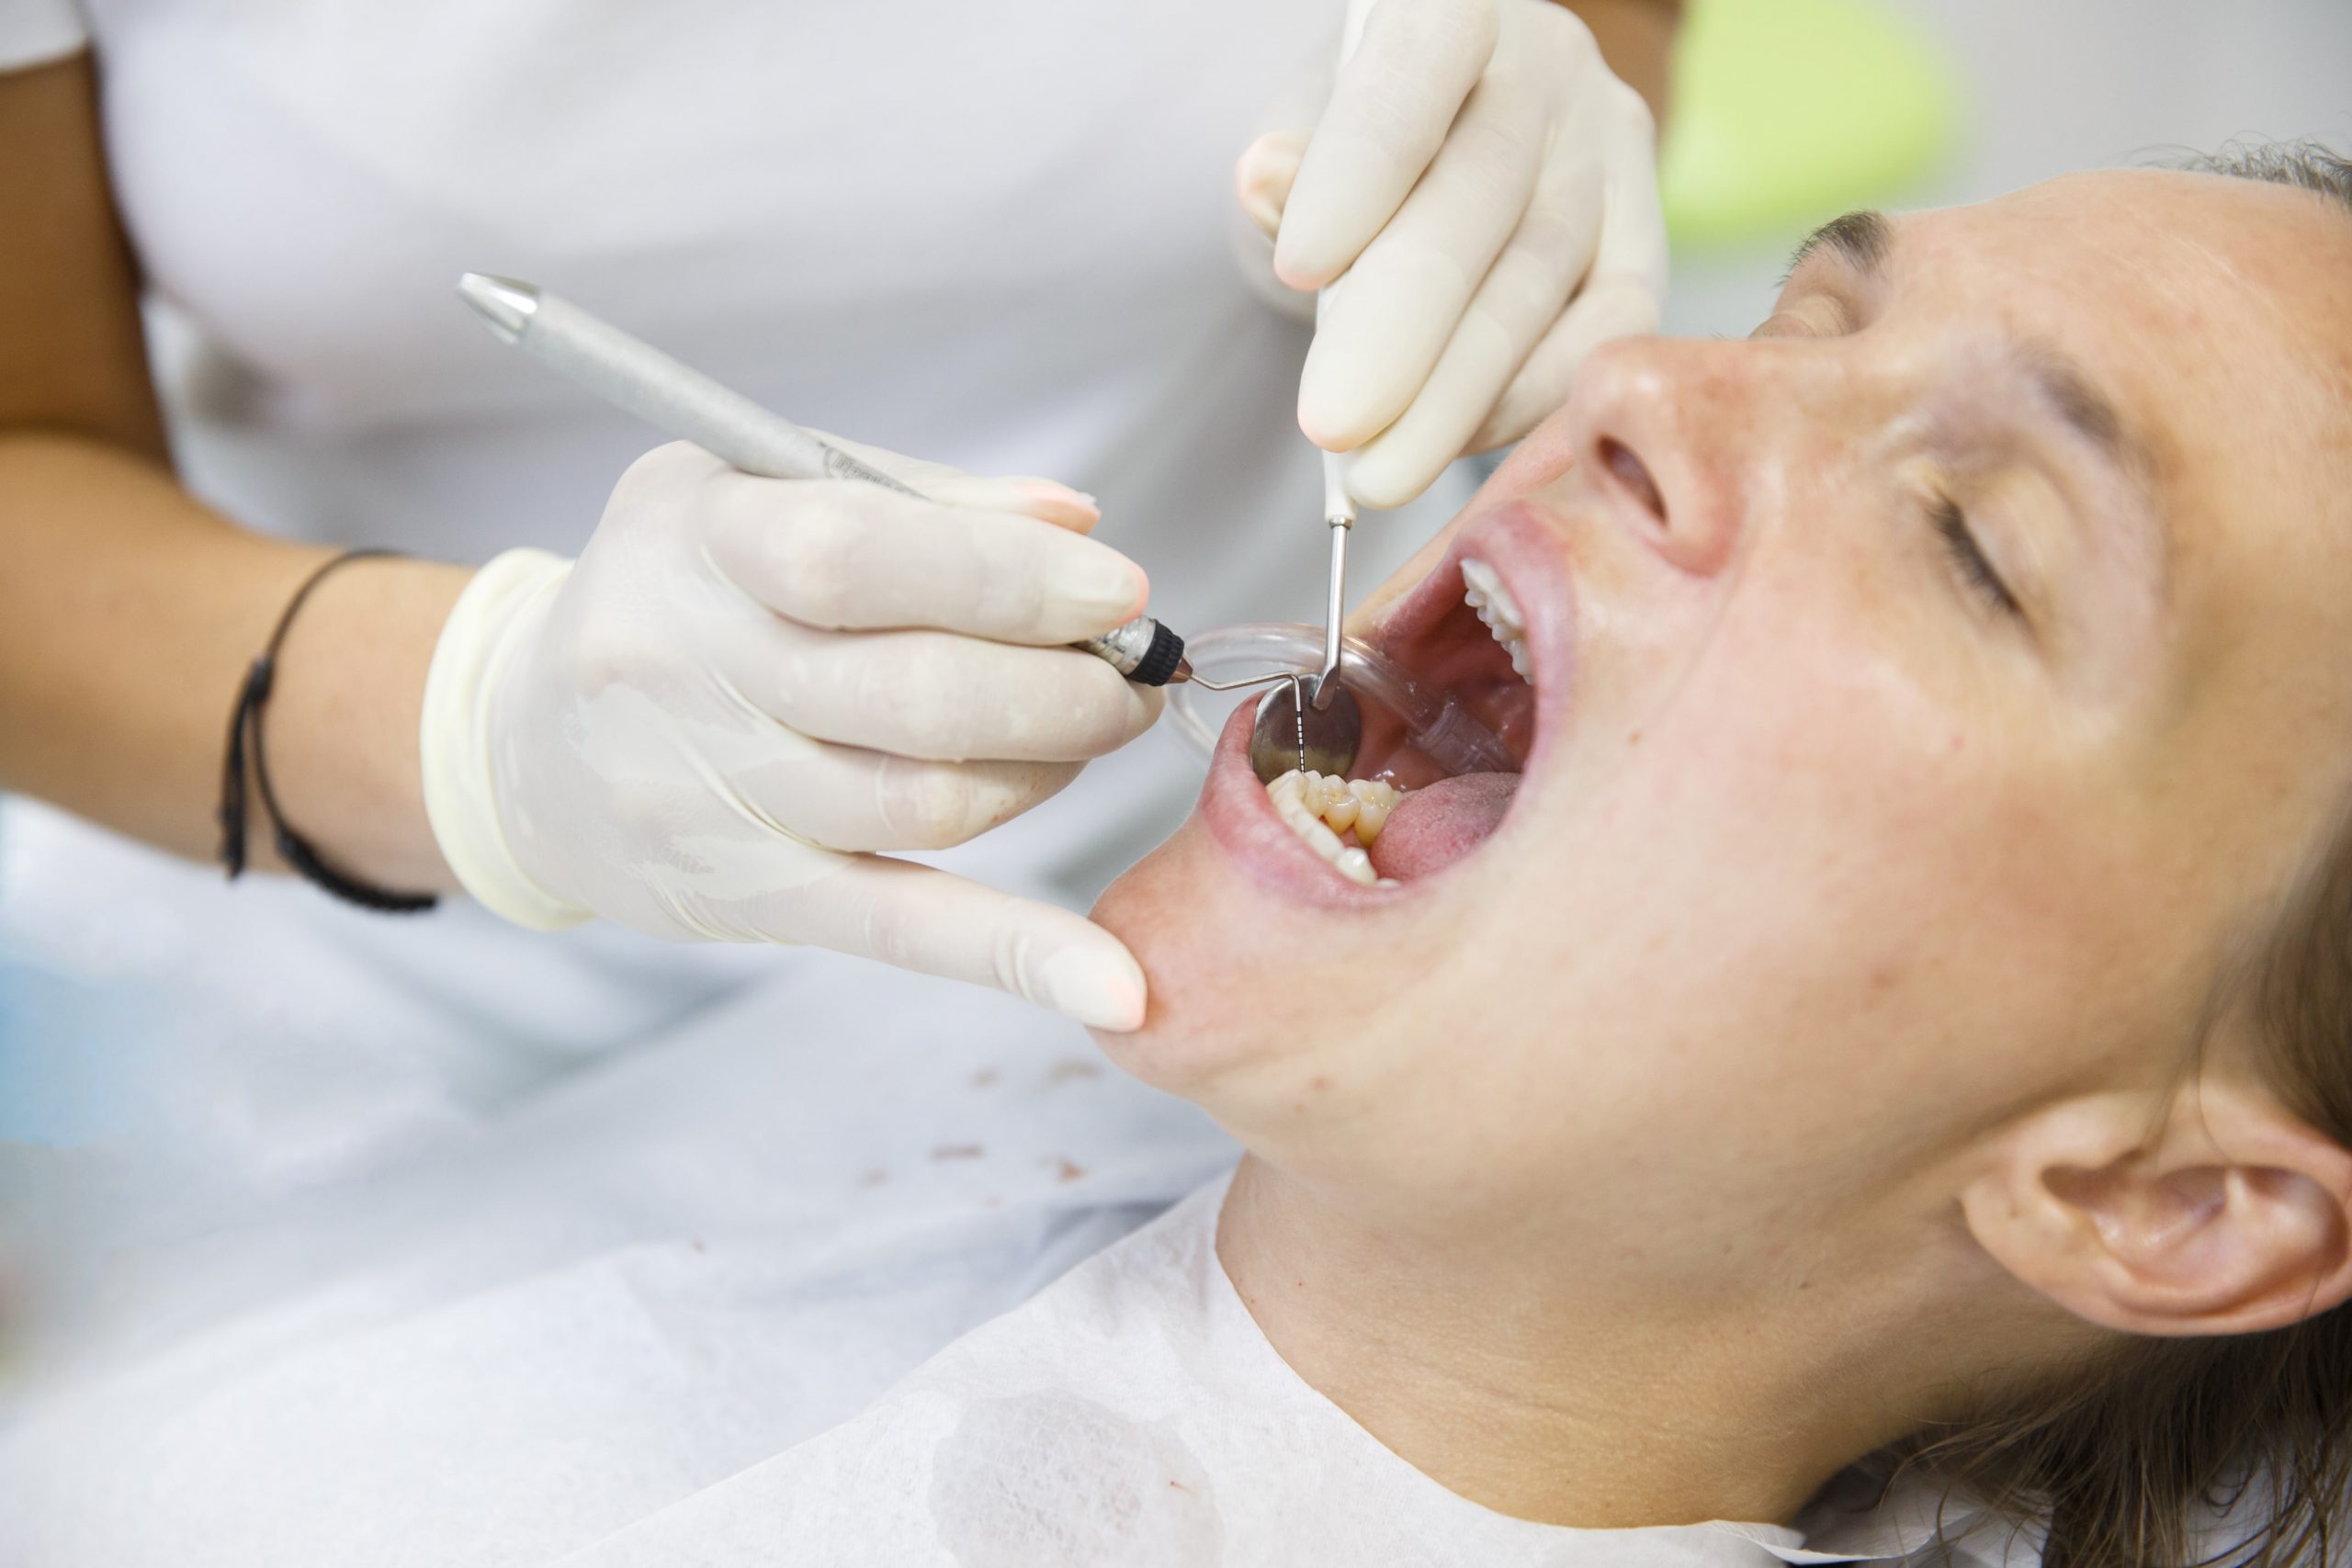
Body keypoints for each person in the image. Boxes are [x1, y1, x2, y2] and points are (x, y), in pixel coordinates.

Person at [6, 144, 2349, 1566]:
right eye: (1796, 312)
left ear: (2160, 1201)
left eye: (1968, 539)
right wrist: (450, 724)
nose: (1640, 381)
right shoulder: (1031, 1043)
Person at [0, 0, 1671, 1134]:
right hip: (368, 980)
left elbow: (1611, 45)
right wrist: (478, 730)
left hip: (1290, 965)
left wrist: (1506, 138)